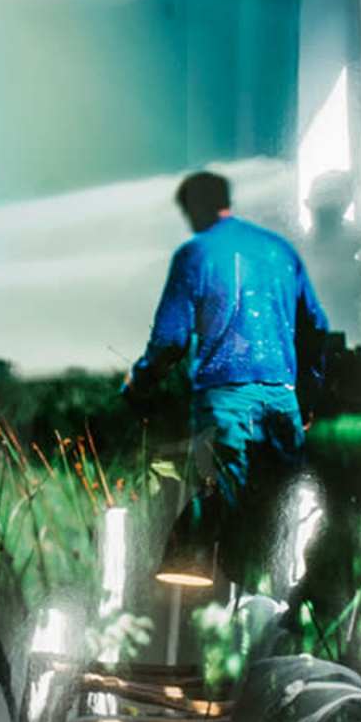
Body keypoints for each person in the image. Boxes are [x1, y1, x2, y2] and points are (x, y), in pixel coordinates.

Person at [136, 167, 329, 570]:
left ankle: (200, 578)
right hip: (282, 393)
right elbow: (316, 328)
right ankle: (279, 590)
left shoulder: (195, 253)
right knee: (284, 508)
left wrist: (139, 384)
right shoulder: (279, 251)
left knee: (221, 498)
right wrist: (309, 395)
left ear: (194, 208)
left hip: (225, 395)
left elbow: (170, 339)